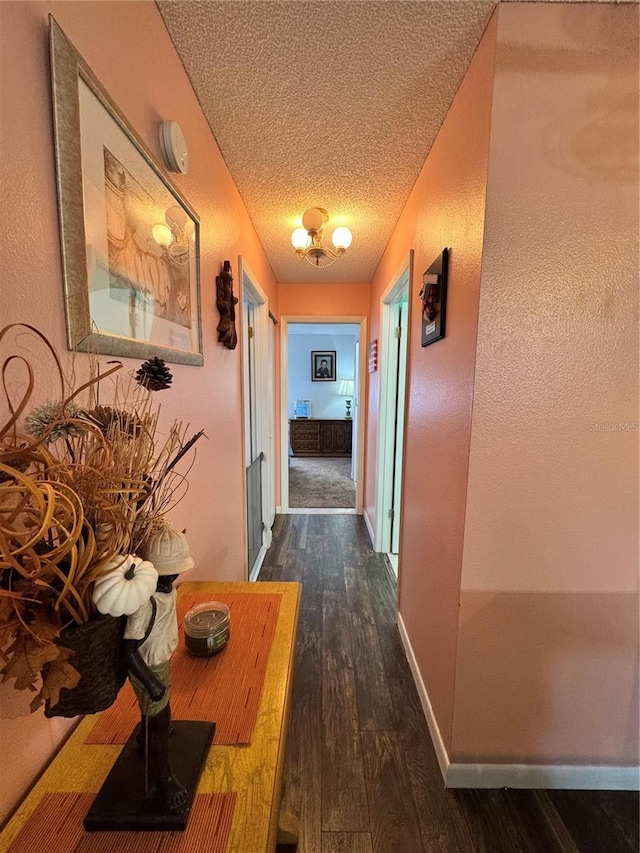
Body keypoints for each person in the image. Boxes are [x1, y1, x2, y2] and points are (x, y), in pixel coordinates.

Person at [123, 523, 194, 813]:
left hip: (160, 661)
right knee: (162, 720)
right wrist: (150, 682)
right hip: (148, 667)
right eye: (169, 573)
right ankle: (164, 779)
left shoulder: (165, 591)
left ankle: (145, 731)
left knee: (155, 712)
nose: (173, 578)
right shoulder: (145, 604)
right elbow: (128, 651)